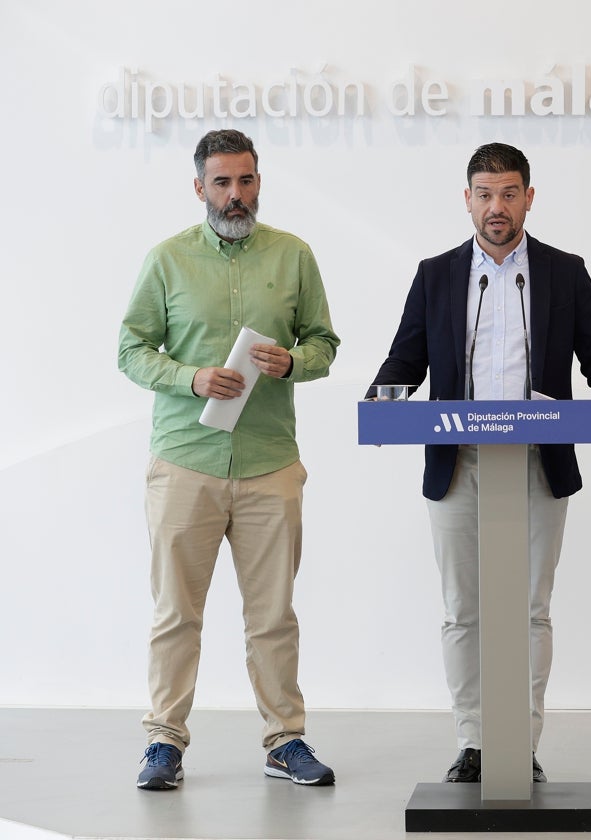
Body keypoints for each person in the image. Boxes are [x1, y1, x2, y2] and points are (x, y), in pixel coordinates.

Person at [370, 142, 591, 784]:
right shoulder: (437, 274)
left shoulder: (561, 271)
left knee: (530, 608)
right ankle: (475, 740)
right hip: (459, 462)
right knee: (461, 608)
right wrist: (381, 400)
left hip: (537, 461)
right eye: (483, 193)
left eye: (507, 193)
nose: (495, 207)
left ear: (529, 197)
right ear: (466, 198)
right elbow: (404, 360)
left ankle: (519, 742)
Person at [118, 129, 340, 791]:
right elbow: (131, 349)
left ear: (258, 181)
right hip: (185, 461)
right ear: (199, 188)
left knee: (273, 615)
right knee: (175, 613)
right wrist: (191, 378)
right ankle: (163, 743)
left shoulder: (294, 256)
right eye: (221, 183)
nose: (235, 195)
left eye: (245, 181)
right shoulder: (166, 260)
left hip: (271, 463)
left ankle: (285, 741)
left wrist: (292, 361)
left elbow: (325, 343)